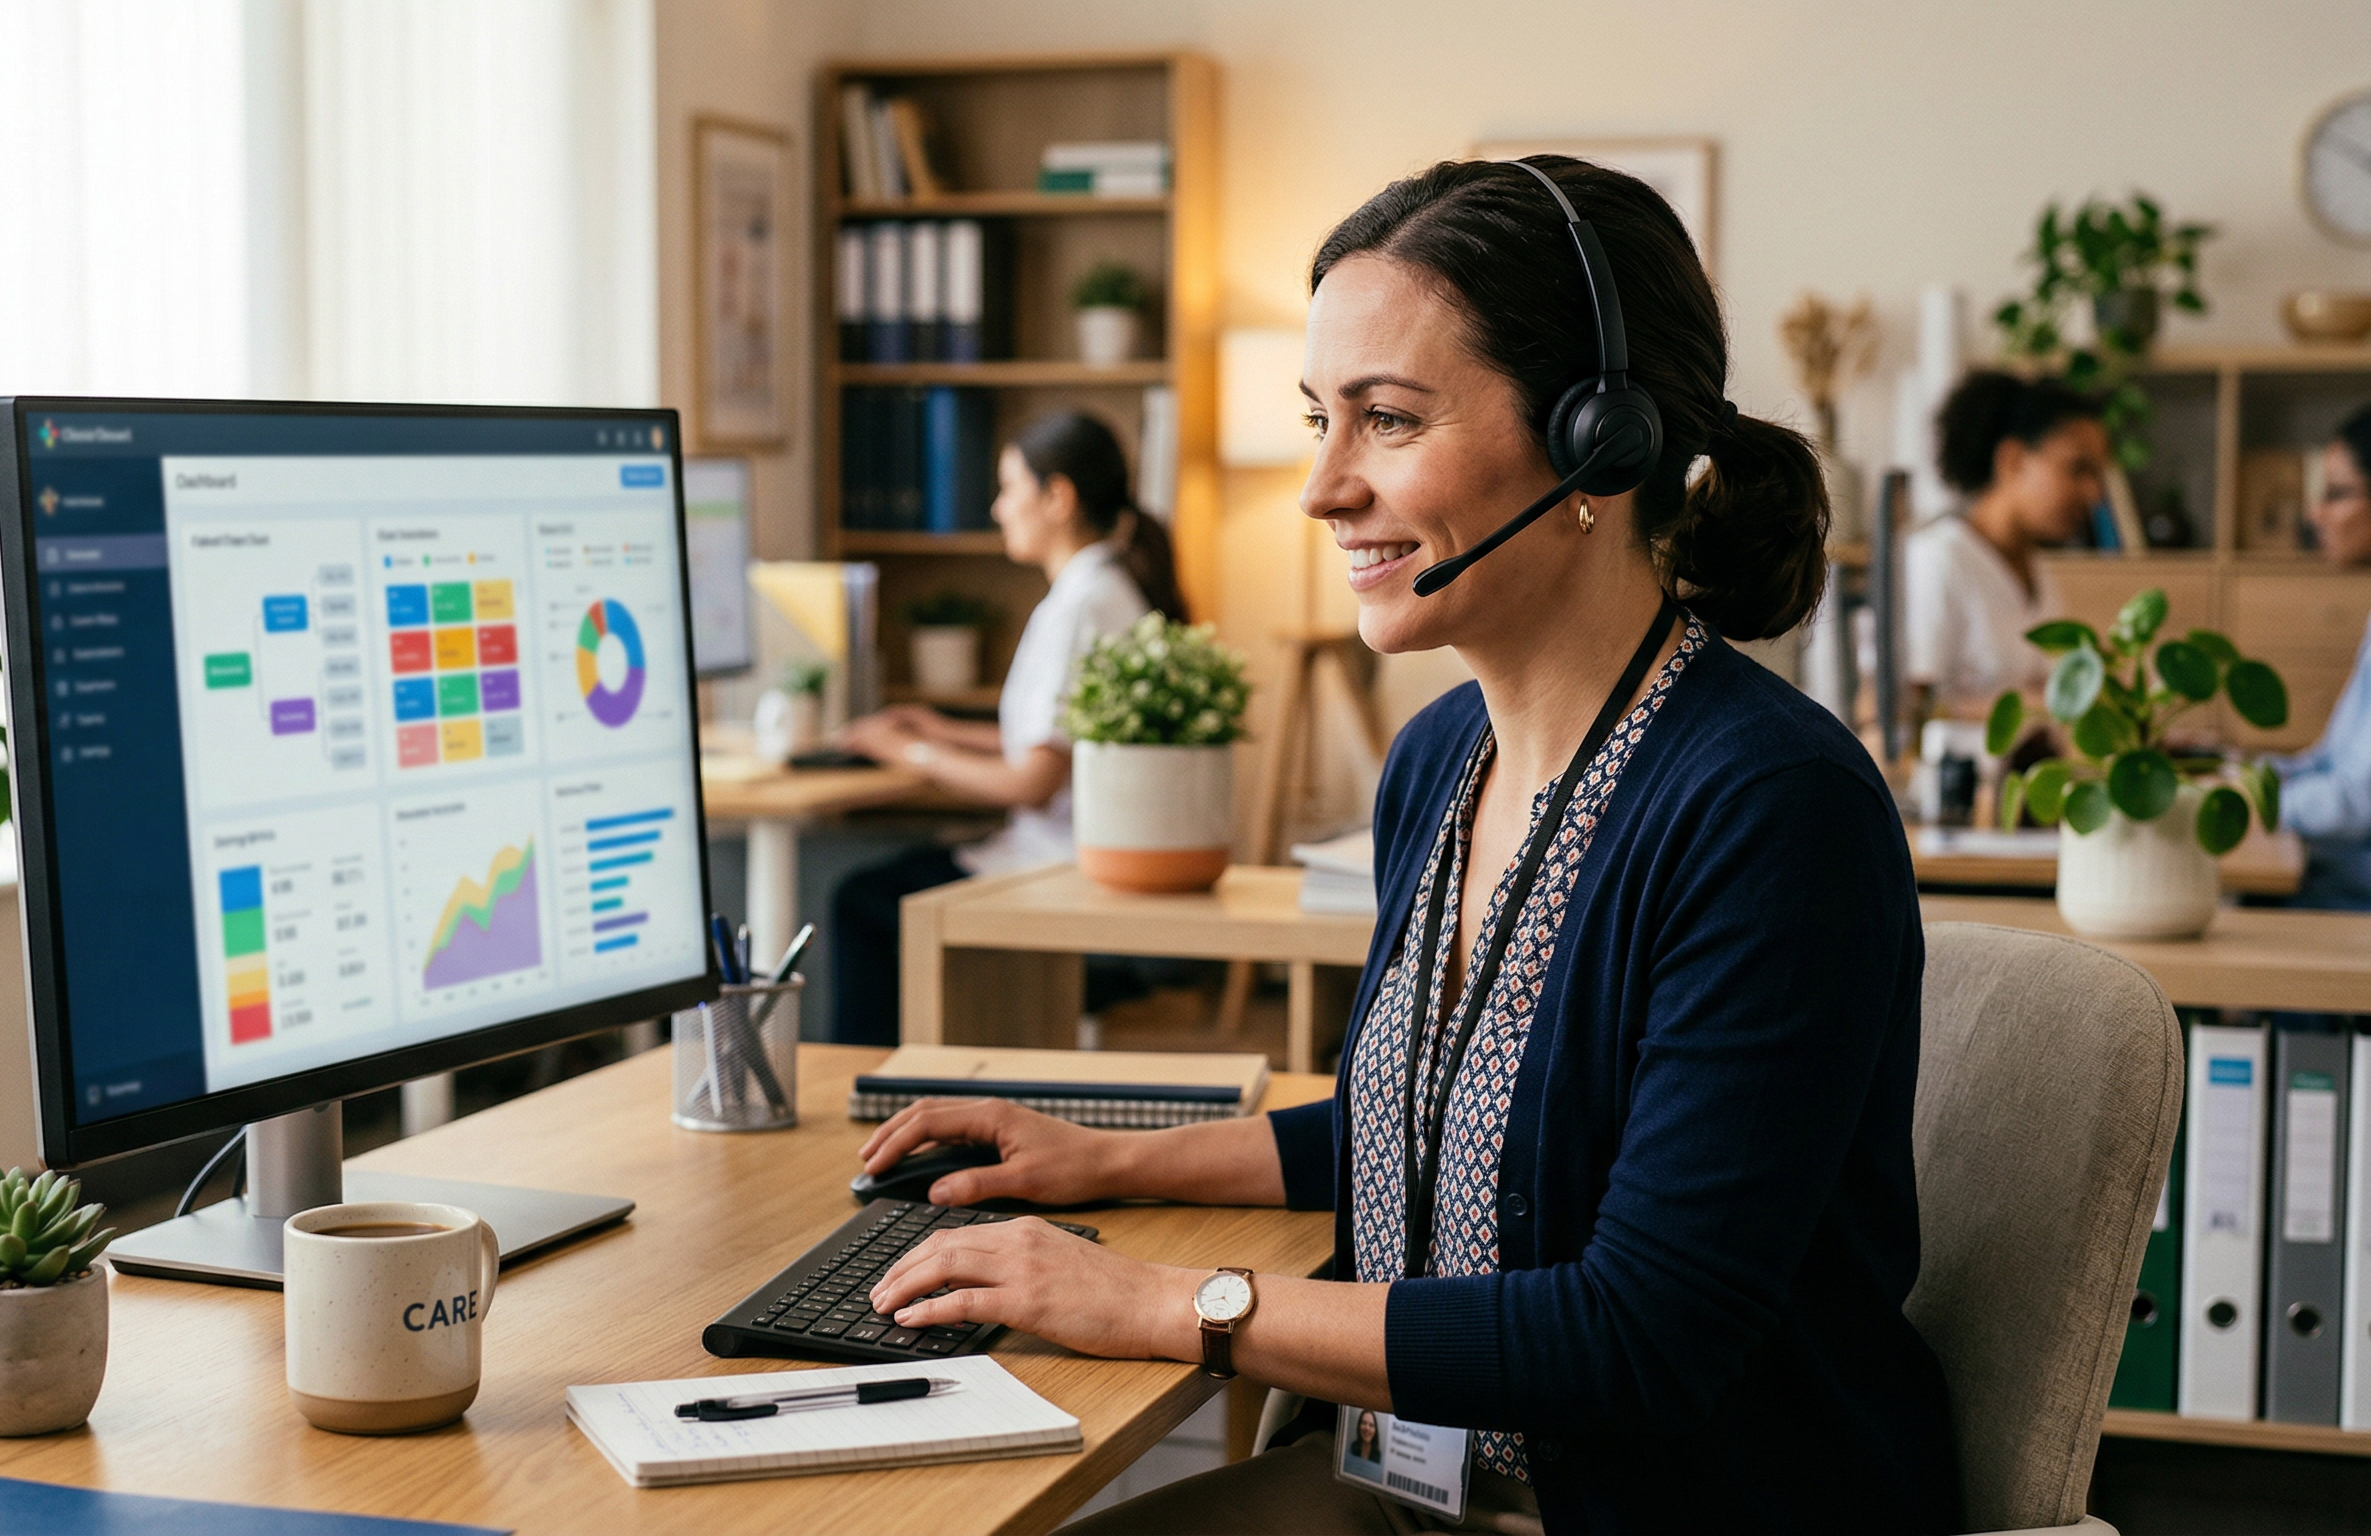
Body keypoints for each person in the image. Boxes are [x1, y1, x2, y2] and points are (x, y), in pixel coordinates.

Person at [855, 157, 1958, 1535]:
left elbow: (1641, 1336)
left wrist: (1159, 1303)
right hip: (1418, 1494)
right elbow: (1431, 1130)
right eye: (1320, 419)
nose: (1323, 488)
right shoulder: (1438, 762)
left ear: (1597, 445)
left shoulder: (1770, 809)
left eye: (1385, 422)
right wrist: (1106, 1156)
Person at [825, 411, 1188, 1045]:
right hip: (1069, 857)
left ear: (1058, 498)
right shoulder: (1105, 587)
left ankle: (873, 1093)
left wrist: (911, 752)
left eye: (1009, 489)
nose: (998, 509)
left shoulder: (1081, 604)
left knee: (861, 901)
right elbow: (1067, 740)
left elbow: (1033, 783)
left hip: (1058, 870)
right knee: (887, 881)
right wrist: (943, 729)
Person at [1903, 370, 2108, 720]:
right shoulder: (1937, 558)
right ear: (2012, 459)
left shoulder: (2037, 569)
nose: (2094, 494)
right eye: (2078, 469)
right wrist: (2039, 705)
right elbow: (1907, 708)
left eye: (2097, 475)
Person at [2274, 404, 2371, 910]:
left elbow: (2355, 802)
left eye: (2336, 493)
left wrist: (2250, 805)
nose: (2315, 514)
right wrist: (2239, 773)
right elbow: (2331, 764)